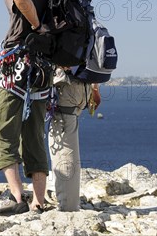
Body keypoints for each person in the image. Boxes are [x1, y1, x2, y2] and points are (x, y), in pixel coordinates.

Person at [0, 0, 50, 214]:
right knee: (34, 136)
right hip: (43, 72)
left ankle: (16, 197)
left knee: (0, 132)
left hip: (18, 69)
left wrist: (34, 25)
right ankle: (39, 202)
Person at [48, 67, 101, 211]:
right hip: (81, 89)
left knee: (63, 150)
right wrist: (95, 88)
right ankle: (67, 199)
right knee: (67, 143)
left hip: (66, 90)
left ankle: (68, 205)